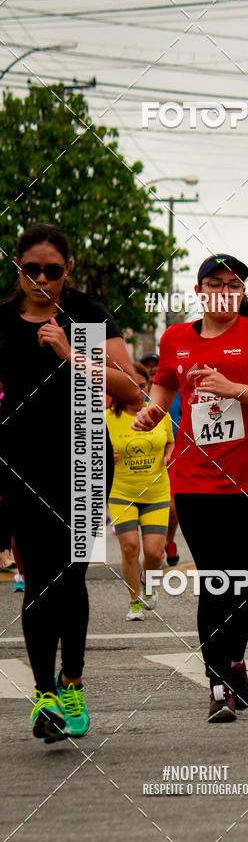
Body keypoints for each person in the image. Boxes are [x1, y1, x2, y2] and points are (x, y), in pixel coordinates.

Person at [0, 223, 138, 744]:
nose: (40, 279)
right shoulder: (3, 323)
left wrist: (70, 355)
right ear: (18, 269)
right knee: (38, 580)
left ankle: (72, 680)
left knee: (71, 576)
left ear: (68, 270)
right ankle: (44, 695)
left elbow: (131, 389)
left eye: (52, 271)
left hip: (82, 459)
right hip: (18, 463)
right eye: (30, 269)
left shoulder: (87, 317)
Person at [133, 254, 248, 723]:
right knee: (215, 580)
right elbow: (164, 387)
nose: (223, 290)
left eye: (233, 283)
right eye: (214, 282)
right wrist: (152, 410)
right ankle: (217, 683)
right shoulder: (176, 337)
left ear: (241, 292)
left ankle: (235, 659)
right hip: (195, 479)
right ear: (199, 290)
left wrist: (234, 387)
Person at [106, 361, 174, 621]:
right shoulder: (107, 418)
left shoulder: (159, 413)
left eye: (142, 385)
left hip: (156, 491)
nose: (137, 391)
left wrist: (168, 457)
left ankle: (148, 584)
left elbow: (170, 442)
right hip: (121, 491)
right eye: (131, 385)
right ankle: (134, 602)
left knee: (155, 553)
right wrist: (103, 455)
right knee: (130, 548)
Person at [141, 349, 181, 566]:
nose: (153, 367)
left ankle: (169, 540)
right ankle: (152, 544)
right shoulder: (138, 393)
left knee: (173, 505)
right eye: (148, 365)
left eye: (155, 363)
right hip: (145, 453)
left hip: (173, 450)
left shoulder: (174, 389)